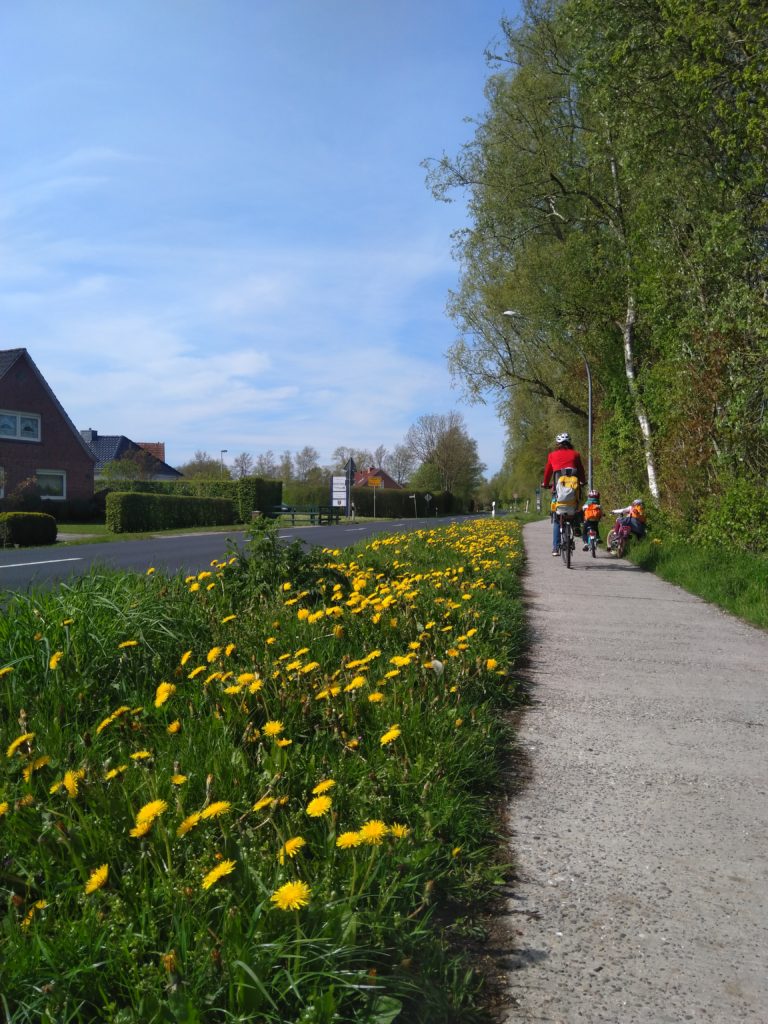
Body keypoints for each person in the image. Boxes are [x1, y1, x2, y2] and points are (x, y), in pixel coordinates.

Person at [542, 432, 587, 555]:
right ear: (569, 443)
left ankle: (556, 548)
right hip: (573, 491)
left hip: (558, 491)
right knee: (577, 507)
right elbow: (581, 470)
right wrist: (583, 481)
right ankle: (577, 526)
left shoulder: (552, 455)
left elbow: (548, 472)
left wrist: (545, 484)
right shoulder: (575, 454)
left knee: (557, 518)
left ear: (558, 444)